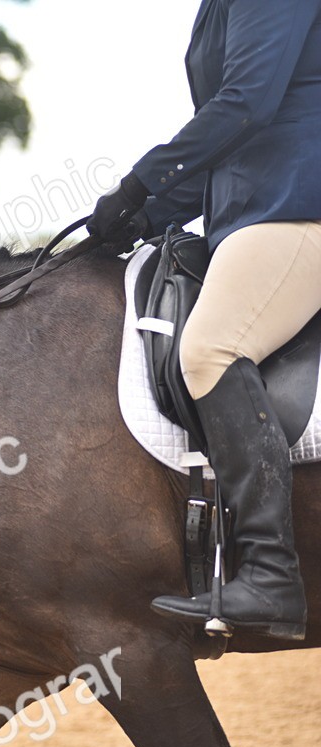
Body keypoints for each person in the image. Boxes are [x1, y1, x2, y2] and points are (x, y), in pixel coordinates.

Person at [88, 0, 321, 641]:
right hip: (257, 203)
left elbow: (247, 105)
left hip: (301, 200)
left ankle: (272, 575)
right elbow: (229, 146)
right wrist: (149, 213)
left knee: (212, 348)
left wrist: (140, 183)